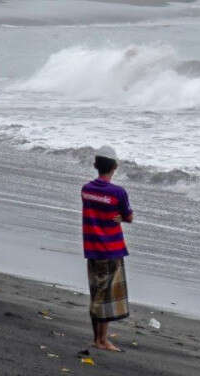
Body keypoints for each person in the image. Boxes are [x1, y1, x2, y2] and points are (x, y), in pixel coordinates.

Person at [81, 145, 133, 352]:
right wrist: (121, 217)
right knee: (106, 295)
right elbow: (128, 216)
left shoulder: (86, 190)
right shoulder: (118, 192)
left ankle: (98, 338)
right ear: (115, 167)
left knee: (96, 291)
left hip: (92, 248)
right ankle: (102, 340)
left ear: (95, 165)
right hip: (110, 249)